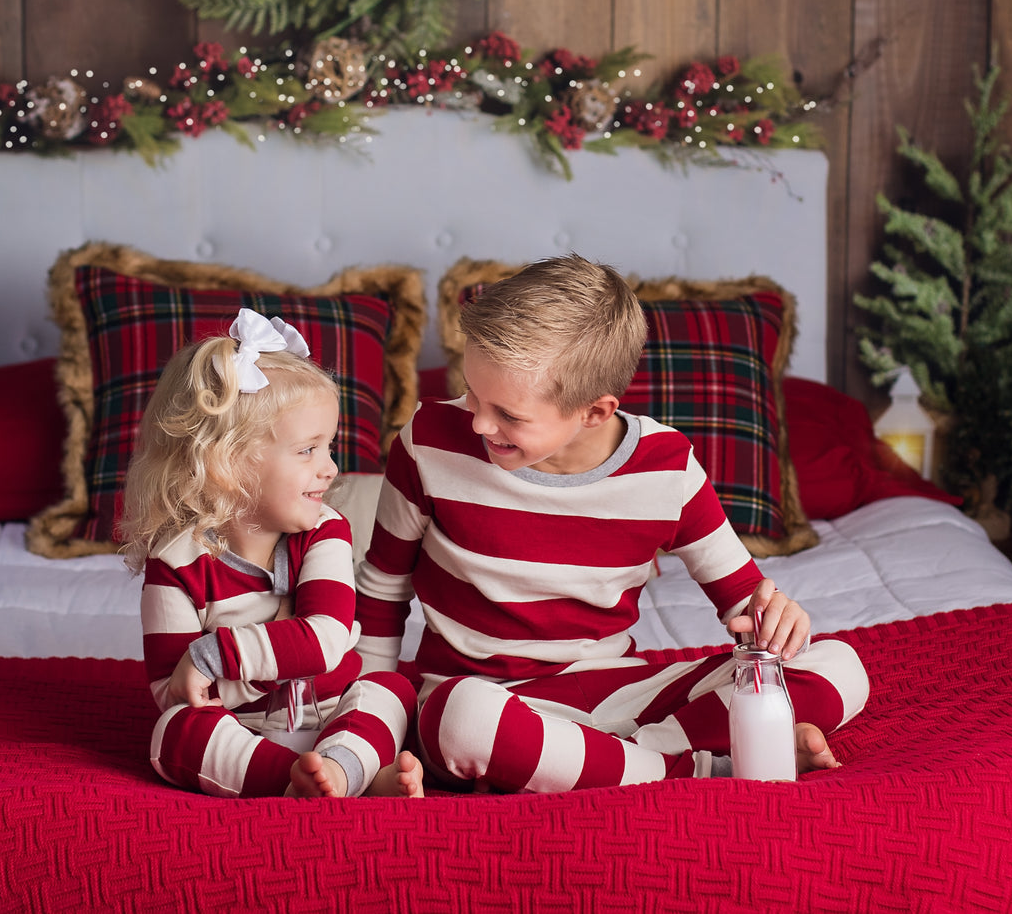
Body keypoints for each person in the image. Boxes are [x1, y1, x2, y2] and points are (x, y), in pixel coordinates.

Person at [353, 255, 870, 790]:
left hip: (620, 694)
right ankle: (693, 769)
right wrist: (369, 727)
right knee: (456, 718)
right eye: (473, 393)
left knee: (841, 665)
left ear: (595, 412)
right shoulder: (427, 443)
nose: (481, 422)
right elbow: (382, 589)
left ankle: (607, 761)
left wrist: (775, 617)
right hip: (483, 698)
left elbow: (743, 599)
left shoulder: (666, 466)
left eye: (509, 415)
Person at [122, 308, 423, 799]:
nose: (330, 468)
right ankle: (297, 779)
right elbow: (173, 691)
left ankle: (342, 772)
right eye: (308, 450)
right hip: (246, 734)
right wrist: (264, 665)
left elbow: (325, 641)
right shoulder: (175, 565)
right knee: (173, 734)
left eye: (329, 447)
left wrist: (215, 653)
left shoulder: (326, 531)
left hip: (334, 710)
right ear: (228, 463)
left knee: (392, 689)